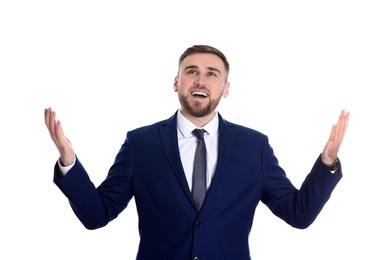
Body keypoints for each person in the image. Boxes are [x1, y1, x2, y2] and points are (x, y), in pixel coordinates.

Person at [44, 44, 350, 260]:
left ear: (225, 88)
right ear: (177, 82)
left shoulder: (253, 146)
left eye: (212, 74)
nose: (200, 80)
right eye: (191, 72)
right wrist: (69, 163)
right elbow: (97, 214)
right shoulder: (141, 144)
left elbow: (298, 214)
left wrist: (327, 163)